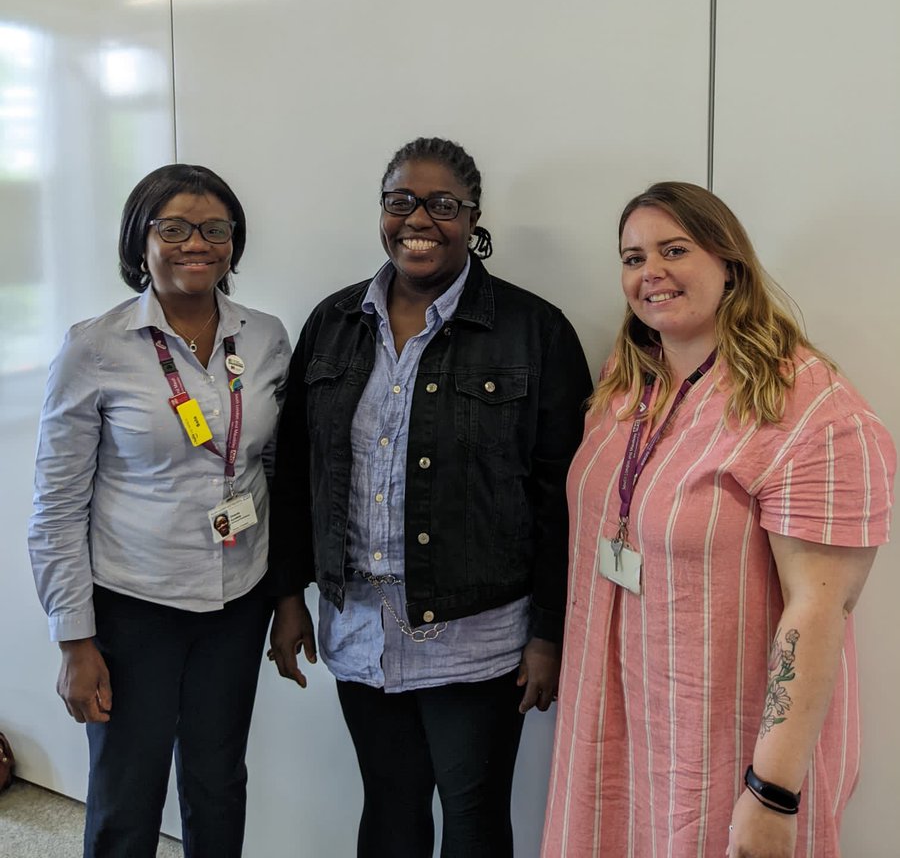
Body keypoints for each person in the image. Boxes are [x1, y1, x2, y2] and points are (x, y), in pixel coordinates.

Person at [541, 181, 896, 858]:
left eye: (674, 250)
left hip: (724, 750)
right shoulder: (628, 381)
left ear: (729, 264)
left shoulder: (808, 408)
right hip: (617, 730)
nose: (651, 273)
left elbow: (818, 611)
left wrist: (772, 792)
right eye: (633, 257)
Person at [268, 137, 592, 858]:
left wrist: (549, 633)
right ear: (382, 210)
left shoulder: (532, 330)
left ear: (473, 218)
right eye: (400, 201)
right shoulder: (334, 322)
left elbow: (560, 497)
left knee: (473, 819)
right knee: (388, 806)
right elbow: (295, 471)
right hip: (359, 624)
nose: (419, 218)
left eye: (443, 205)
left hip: (478, 636)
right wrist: (288, 595)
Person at [29, 163, 290, 858]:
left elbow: (270, 468)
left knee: (217, 782)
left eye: (214, 229)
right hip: (131, 607)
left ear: (234, 242)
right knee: (125, 795)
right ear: (139, 241)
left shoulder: (264, 338)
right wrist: (74, 640)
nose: (194, 243)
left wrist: (287, 593)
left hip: (238, 602)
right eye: (172, 227)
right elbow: (55, 504)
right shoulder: (95, 347)